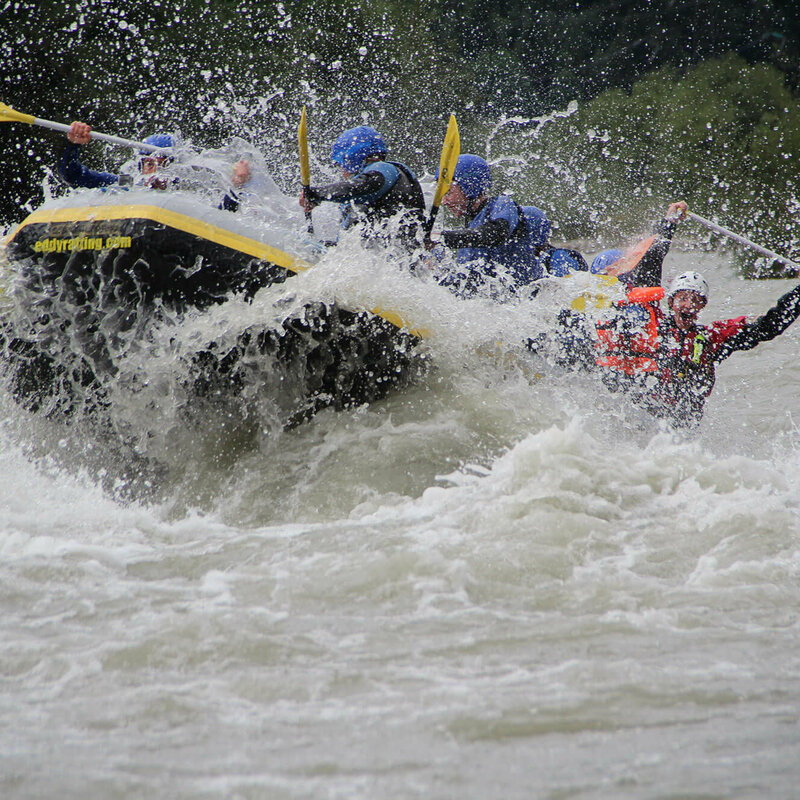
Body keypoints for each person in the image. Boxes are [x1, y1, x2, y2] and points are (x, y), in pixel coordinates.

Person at [431, 154, 586, 298]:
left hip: (523, 307)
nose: (444, 201)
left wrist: (442, 238)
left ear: (469, 186)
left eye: (449, 192)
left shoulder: (501, 204)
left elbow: (496, 232)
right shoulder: (471, 228)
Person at [299, 125, 425, 250]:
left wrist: (316, 193)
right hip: (380, 259)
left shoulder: (384, 169)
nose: (342, 171)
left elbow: (361, 186)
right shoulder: (372, 180)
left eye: (341, 164)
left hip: (396, 260)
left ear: (351, 159)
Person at [58, 121, 175, 190]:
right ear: (141, 167)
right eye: (150, 164)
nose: (156, 172)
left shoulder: (187, 189)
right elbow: (74, 176)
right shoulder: (129, 184)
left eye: (164, 165)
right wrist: (73, 145)